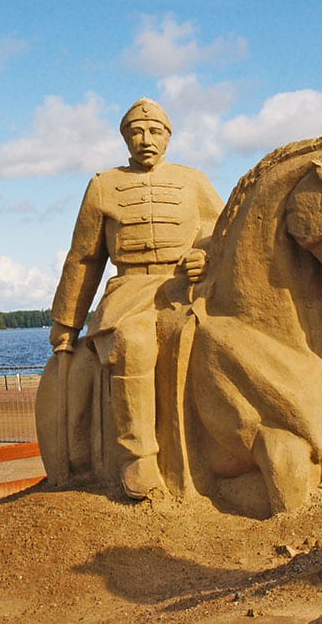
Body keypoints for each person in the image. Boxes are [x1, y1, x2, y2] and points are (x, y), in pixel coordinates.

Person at [49, 98, 223, 499]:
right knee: (135, 343)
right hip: (128, 293)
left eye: (155, 131)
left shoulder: (192, 180)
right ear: (126, 137)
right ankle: (137, 458)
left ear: (168, 136)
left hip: (183, 290)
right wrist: (67, 323)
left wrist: (205, 254)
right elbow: (84, 258)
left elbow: (221, 228)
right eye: (136, 132)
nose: (146, 139)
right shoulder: (103, 185)